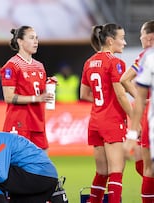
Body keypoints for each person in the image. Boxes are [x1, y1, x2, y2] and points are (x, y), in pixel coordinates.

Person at [80, 23, 132, 203]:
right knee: (116, 171)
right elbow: (121, 94)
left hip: (95, 121)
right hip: (112, 121)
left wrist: (103, 101)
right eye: (121, 39)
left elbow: (84, 95)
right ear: (110, 41)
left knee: (101, 172)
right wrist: (136, 116)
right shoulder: (115, 62)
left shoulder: (89, 62)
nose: (124, 43)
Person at [0, 25, 56, 150]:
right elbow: (9, 97)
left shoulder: (39, 66)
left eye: (37, 38)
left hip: (37, 122)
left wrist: (49, 84)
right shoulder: (12, 65)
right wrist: (37, 98)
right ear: (20, 41)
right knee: (18, 167)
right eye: (31, 38)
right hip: (19, 122)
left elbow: (39, 93)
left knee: (42, 166)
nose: (36, 41)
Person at [122, 20, 154, 203]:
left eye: (141, 35)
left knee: (147, 169)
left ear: (149, 37)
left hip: (149, 116)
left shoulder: (146, 57)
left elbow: (125, 80)